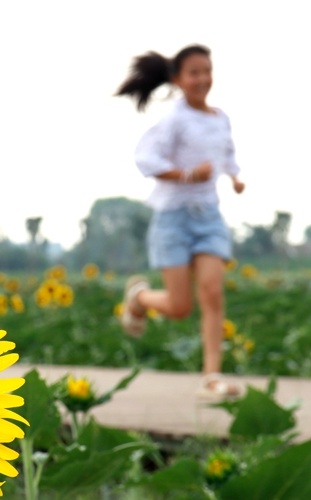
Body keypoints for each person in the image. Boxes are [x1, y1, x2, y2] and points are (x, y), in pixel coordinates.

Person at [116, 44, 245, 398]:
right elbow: (146, 160)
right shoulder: (174, 119)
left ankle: (211, 377)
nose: (202, 78)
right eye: (194, 72)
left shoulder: (220, 118)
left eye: (207, 70)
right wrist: (188, 175)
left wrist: (234, 176)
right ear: (177, 79)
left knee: (213, 293)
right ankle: (139, 299)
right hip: (172, 220)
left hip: (209, 219)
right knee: (179, 307)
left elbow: (227, 153)